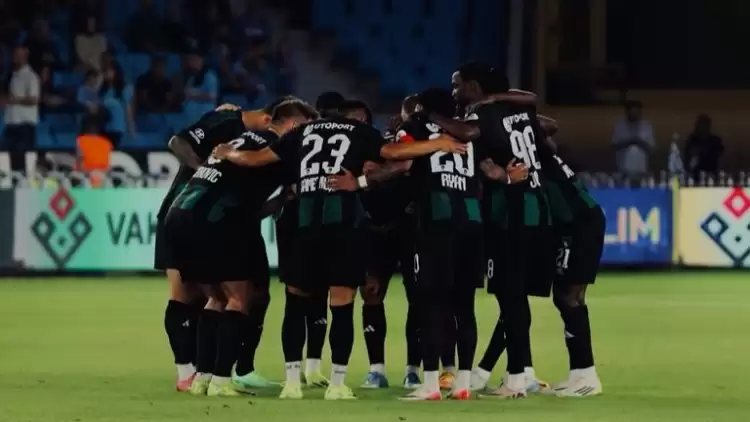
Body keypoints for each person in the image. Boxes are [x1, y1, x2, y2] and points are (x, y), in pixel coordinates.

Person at [211, 101, 466, 400]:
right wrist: (438, 144)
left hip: (305, 224)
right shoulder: (358, 131)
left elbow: (255, 159)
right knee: (342, 304)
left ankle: (291, 384)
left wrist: (228, 152)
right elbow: (395, 154)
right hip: (343, 224)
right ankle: (337, 384)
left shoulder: (302, 132)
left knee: (296, 304)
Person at [167, 100, 317, 398]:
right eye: (307, 128)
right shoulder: (281, 145)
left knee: (216, 298)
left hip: (181, 216)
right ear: (293, 125)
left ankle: (202, 378)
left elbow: (253, 203)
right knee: (239, 298)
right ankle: (221, 381)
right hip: (215, 220)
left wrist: (280, 198)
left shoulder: (244, 138)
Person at [451, 62, 552, 399]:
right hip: (536, 207)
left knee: (509, 298)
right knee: (516, 297)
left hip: (507, 212)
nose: (455, 92)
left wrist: (496, 174)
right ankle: (519, 373)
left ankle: (516, 379)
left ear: (474, 87)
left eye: (458, 85)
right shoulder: (521, 113)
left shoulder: (479, 116)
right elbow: (546, 132)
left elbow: (485, 164)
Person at [156, 105, 272, 393]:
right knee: (187, 294)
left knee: (237, 294)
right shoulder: (225, 120)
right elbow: (177, 142)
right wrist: (204, 169)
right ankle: (186, 371)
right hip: (185, 210)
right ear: (268, 119)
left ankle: (224, 369)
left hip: (222, 220)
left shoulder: (254, 142)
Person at [357, 97, 421, 390]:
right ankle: (376, 370)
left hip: (410, 230)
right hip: (375, 230)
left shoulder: (425, 147)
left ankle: (413, 370)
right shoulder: (374, 144)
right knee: (371, 293)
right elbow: (367, 176)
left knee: (418, 298)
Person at [3, 45, 40, 172]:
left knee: (23, 162)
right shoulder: (12, 75)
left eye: (18, 54)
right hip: (11, 123)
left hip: (24, 125)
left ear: (25, 55)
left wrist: (14, 100)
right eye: (14, 54)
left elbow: (34, 99)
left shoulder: (31, 76)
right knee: (11, 161)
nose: (15, 57)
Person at [612, 100, 655, 178]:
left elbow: (651, 148)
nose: (634, 115)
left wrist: (639, 142)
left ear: (640, 113)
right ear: (627, 113)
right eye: (632, 112)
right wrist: (629, 142)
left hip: (641, 168)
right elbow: (614, 146)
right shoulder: (620, 125)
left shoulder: (646, 126)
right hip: (623, 168)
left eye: (636, 112)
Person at [99, 62, 135, 146]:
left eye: (109, 71)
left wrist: (131, 127)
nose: (107, 73)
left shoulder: (124, 88)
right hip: (104, 126)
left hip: (117, 126)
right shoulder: (103, 90)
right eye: (105, 71)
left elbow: (128, 108)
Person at [684, 114, 723, 180]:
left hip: (711, 175)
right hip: (694, 176)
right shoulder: (692, 140)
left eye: (702, 124)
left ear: (707, 126)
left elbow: (720, 160)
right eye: (698, 124)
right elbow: (688, 162)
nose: (699, 127)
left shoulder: (715, 141)